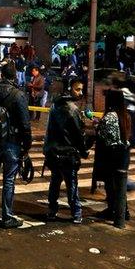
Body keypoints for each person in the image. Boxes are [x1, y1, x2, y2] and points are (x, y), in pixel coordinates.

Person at [0, 62, 32, 228]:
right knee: (9, 180)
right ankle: (7, 217)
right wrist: (26, 145)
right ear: (15, 76)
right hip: (12, 142)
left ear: (1, 75)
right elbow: (25, 124)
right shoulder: (18, 95)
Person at [43, 79, 93, 223]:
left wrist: (46, 149)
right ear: (69, 89)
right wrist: (84, 152)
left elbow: (48, 131)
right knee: (71, 185)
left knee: (55, 183)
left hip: (53, 152)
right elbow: (78, 135)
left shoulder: (54, 106)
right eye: (77, 89)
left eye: (81, 89)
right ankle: (76, 213)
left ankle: (52, 210)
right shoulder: (73, 110)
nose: (80, 92)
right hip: (68, 153)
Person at [93, 89, 132, 228]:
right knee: (119, 185)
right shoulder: (124, 115)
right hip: (123, 154)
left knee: (111, 185)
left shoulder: (110, 116)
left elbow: (104, 136)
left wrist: (97, 125)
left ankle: (114, 211)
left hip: (111, 155)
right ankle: (123, 211)